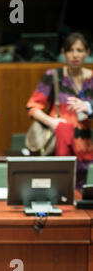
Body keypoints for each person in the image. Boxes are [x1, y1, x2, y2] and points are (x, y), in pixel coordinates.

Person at [27, 32, 93, 188]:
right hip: (59, 144)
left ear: (87, 53)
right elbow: (32, 106)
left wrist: (89, 107)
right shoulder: (53, 76)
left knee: (83, 197)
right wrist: (52, 122)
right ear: (63, 53)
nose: (75, 55)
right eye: (70, 50)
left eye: (80, 50)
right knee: (59, 188)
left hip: (86, 146)